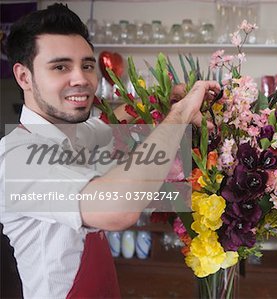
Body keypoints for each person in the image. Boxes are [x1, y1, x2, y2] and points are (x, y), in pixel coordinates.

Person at [0, 3, 220, 298]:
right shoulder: (16, 158)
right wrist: (178, 117)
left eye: (87, 66)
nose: (81, 79)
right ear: (24, 76)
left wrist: (165, 99)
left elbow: (116, 121)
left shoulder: (80, 132)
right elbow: (117, 209)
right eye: (60, 66)